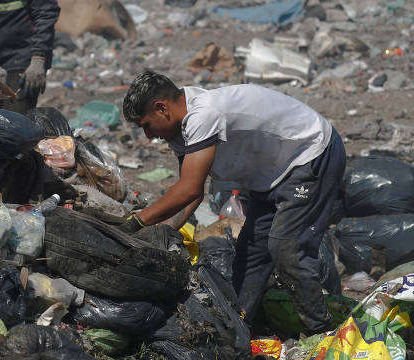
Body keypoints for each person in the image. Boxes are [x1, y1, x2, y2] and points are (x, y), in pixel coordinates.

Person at [119, 71, 346, 335]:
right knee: (251, 254)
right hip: (271, 175)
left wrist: (136, 222)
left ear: (162, 108)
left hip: (310, 154)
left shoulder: (203, 114)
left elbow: (188, 188)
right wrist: (166, 232)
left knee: (286, 247)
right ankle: (238, 328)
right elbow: (193, 193)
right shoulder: (179, 129)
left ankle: (320, 331)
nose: (148, 135)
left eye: (146, 125)